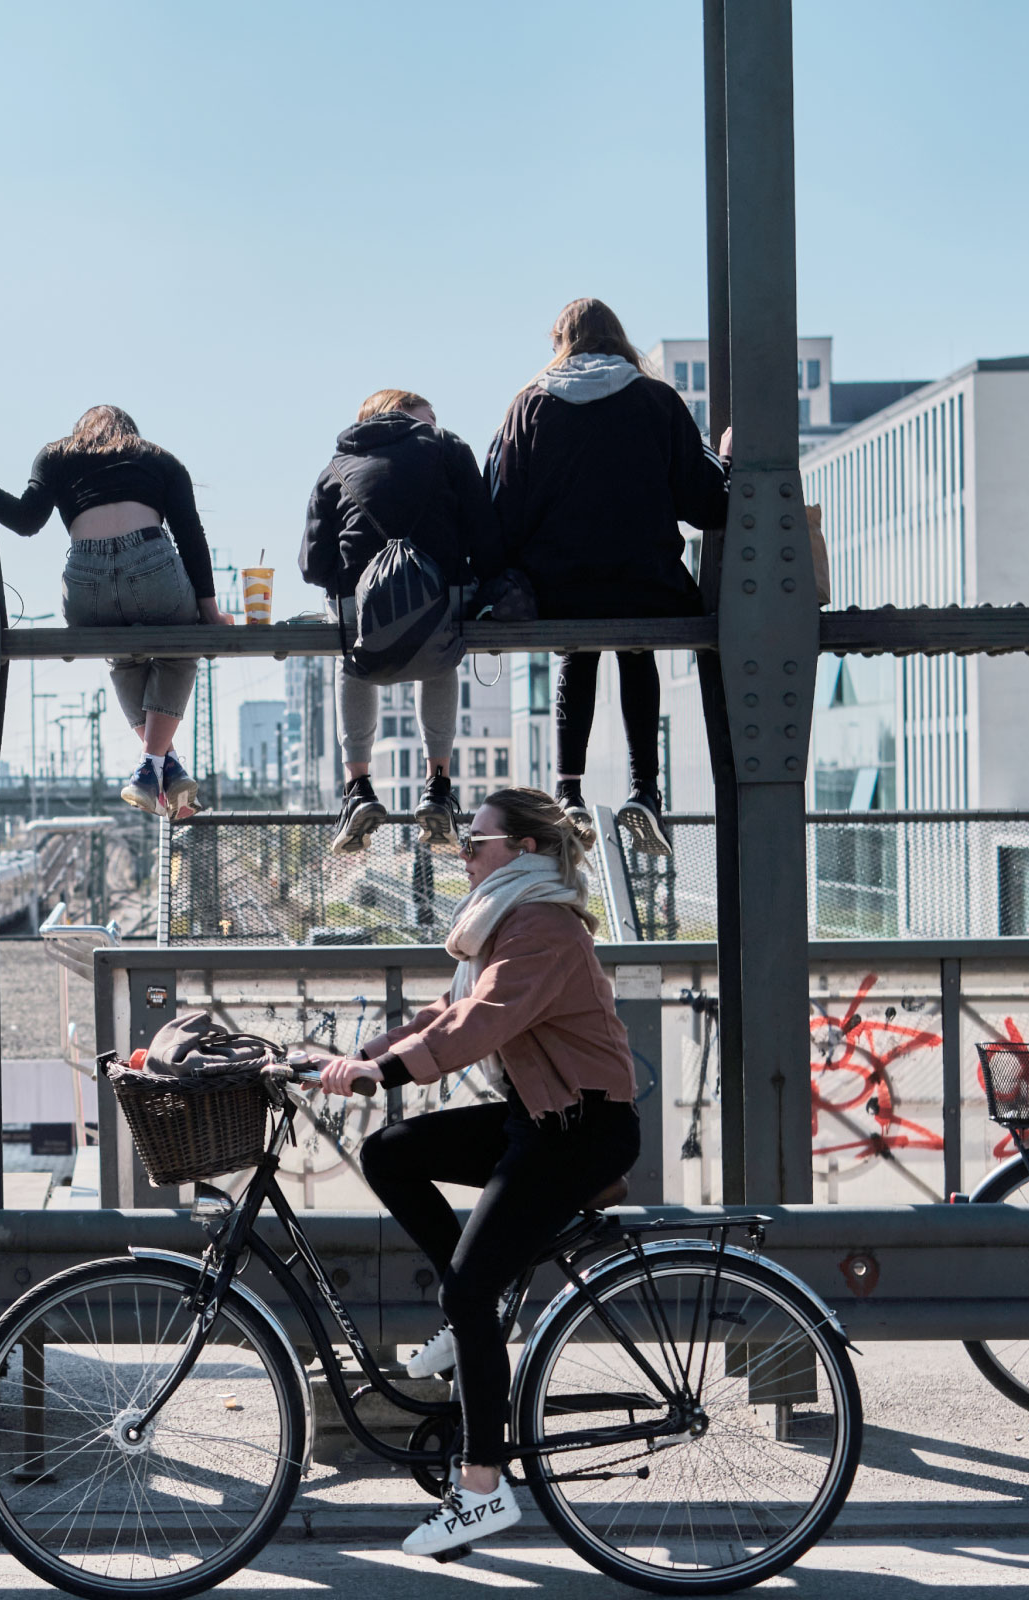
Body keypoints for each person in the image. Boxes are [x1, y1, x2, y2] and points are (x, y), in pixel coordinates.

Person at [307, 786, 640, 1558]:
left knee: (468, 1286)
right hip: (542, 1115)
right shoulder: (505, 923)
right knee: (391, 1152)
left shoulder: (544, 927)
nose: (463, 852)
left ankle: (484, 1488)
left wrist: (383, 1077)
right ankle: (470, 1325)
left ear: (522, 851)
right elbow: (443, 1013)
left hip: (581, 1130)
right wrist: (356, 1059)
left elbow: (481, 1022)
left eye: (477, 841)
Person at [484, 298, 730, 854]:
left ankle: (568, 791)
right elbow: (705, 504)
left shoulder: (530, 406)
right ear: (619, 340)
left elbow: (504, 512)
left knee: (578, 646)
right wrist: (727, 463)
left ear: (560, 344)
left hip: (559, 591)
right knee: (636, 647)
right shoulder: (658, 401)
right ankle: (645, 790)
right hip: (648, 586)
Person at [0, 406, 235, 817]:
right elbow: (191, 536)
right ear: (131, 434)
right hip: (152, 567)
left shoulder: (56, 455)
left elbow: (27, 521)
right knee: (182, 642)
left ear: (80, 432)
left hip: (86, 586)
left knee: (122, 656)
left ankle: (166, 771)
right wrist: (209, 615)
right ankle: (151, 766)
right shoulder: (160, 459)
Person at [299, 389, 500, 852]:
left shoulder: (334, 469)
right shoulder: (448, 446)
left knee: (349, 647)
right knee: (442, 645)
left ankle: (358, 789)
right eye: (429, 417)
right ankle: (438, 786)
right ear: (404, 414)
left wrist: (361, 583)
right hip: (441, 603)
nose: (434, 423)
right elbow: (485, 534)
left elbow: (312, 566)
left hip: (360, 614)